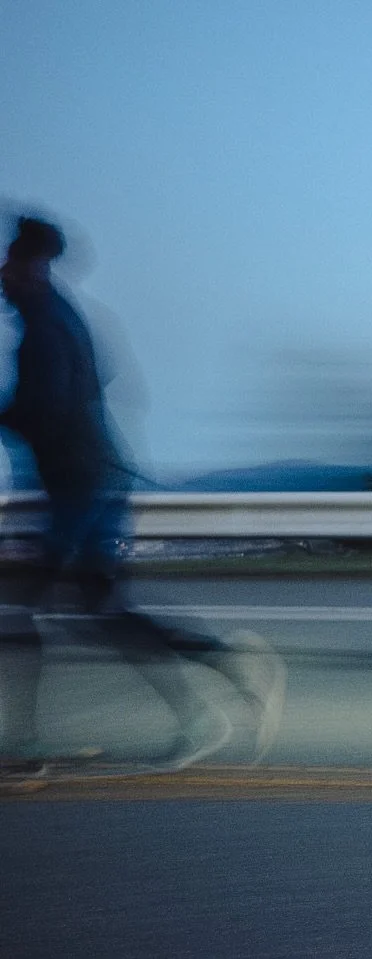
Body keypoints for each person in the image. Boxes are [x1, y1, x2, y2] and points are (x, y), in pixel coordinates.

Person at [0, 215, 284, 777]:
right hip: (99, 477)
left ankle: (22, 750)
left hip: (82, 484)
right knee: (104, 609)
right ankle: (224, 674)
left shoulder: (46, 328)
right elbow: (107, 384)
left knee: (17, 610)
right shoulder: (60, 318)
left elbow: (49, 409)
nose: (2, 272)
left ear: (32, 265)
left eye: (10, 262)